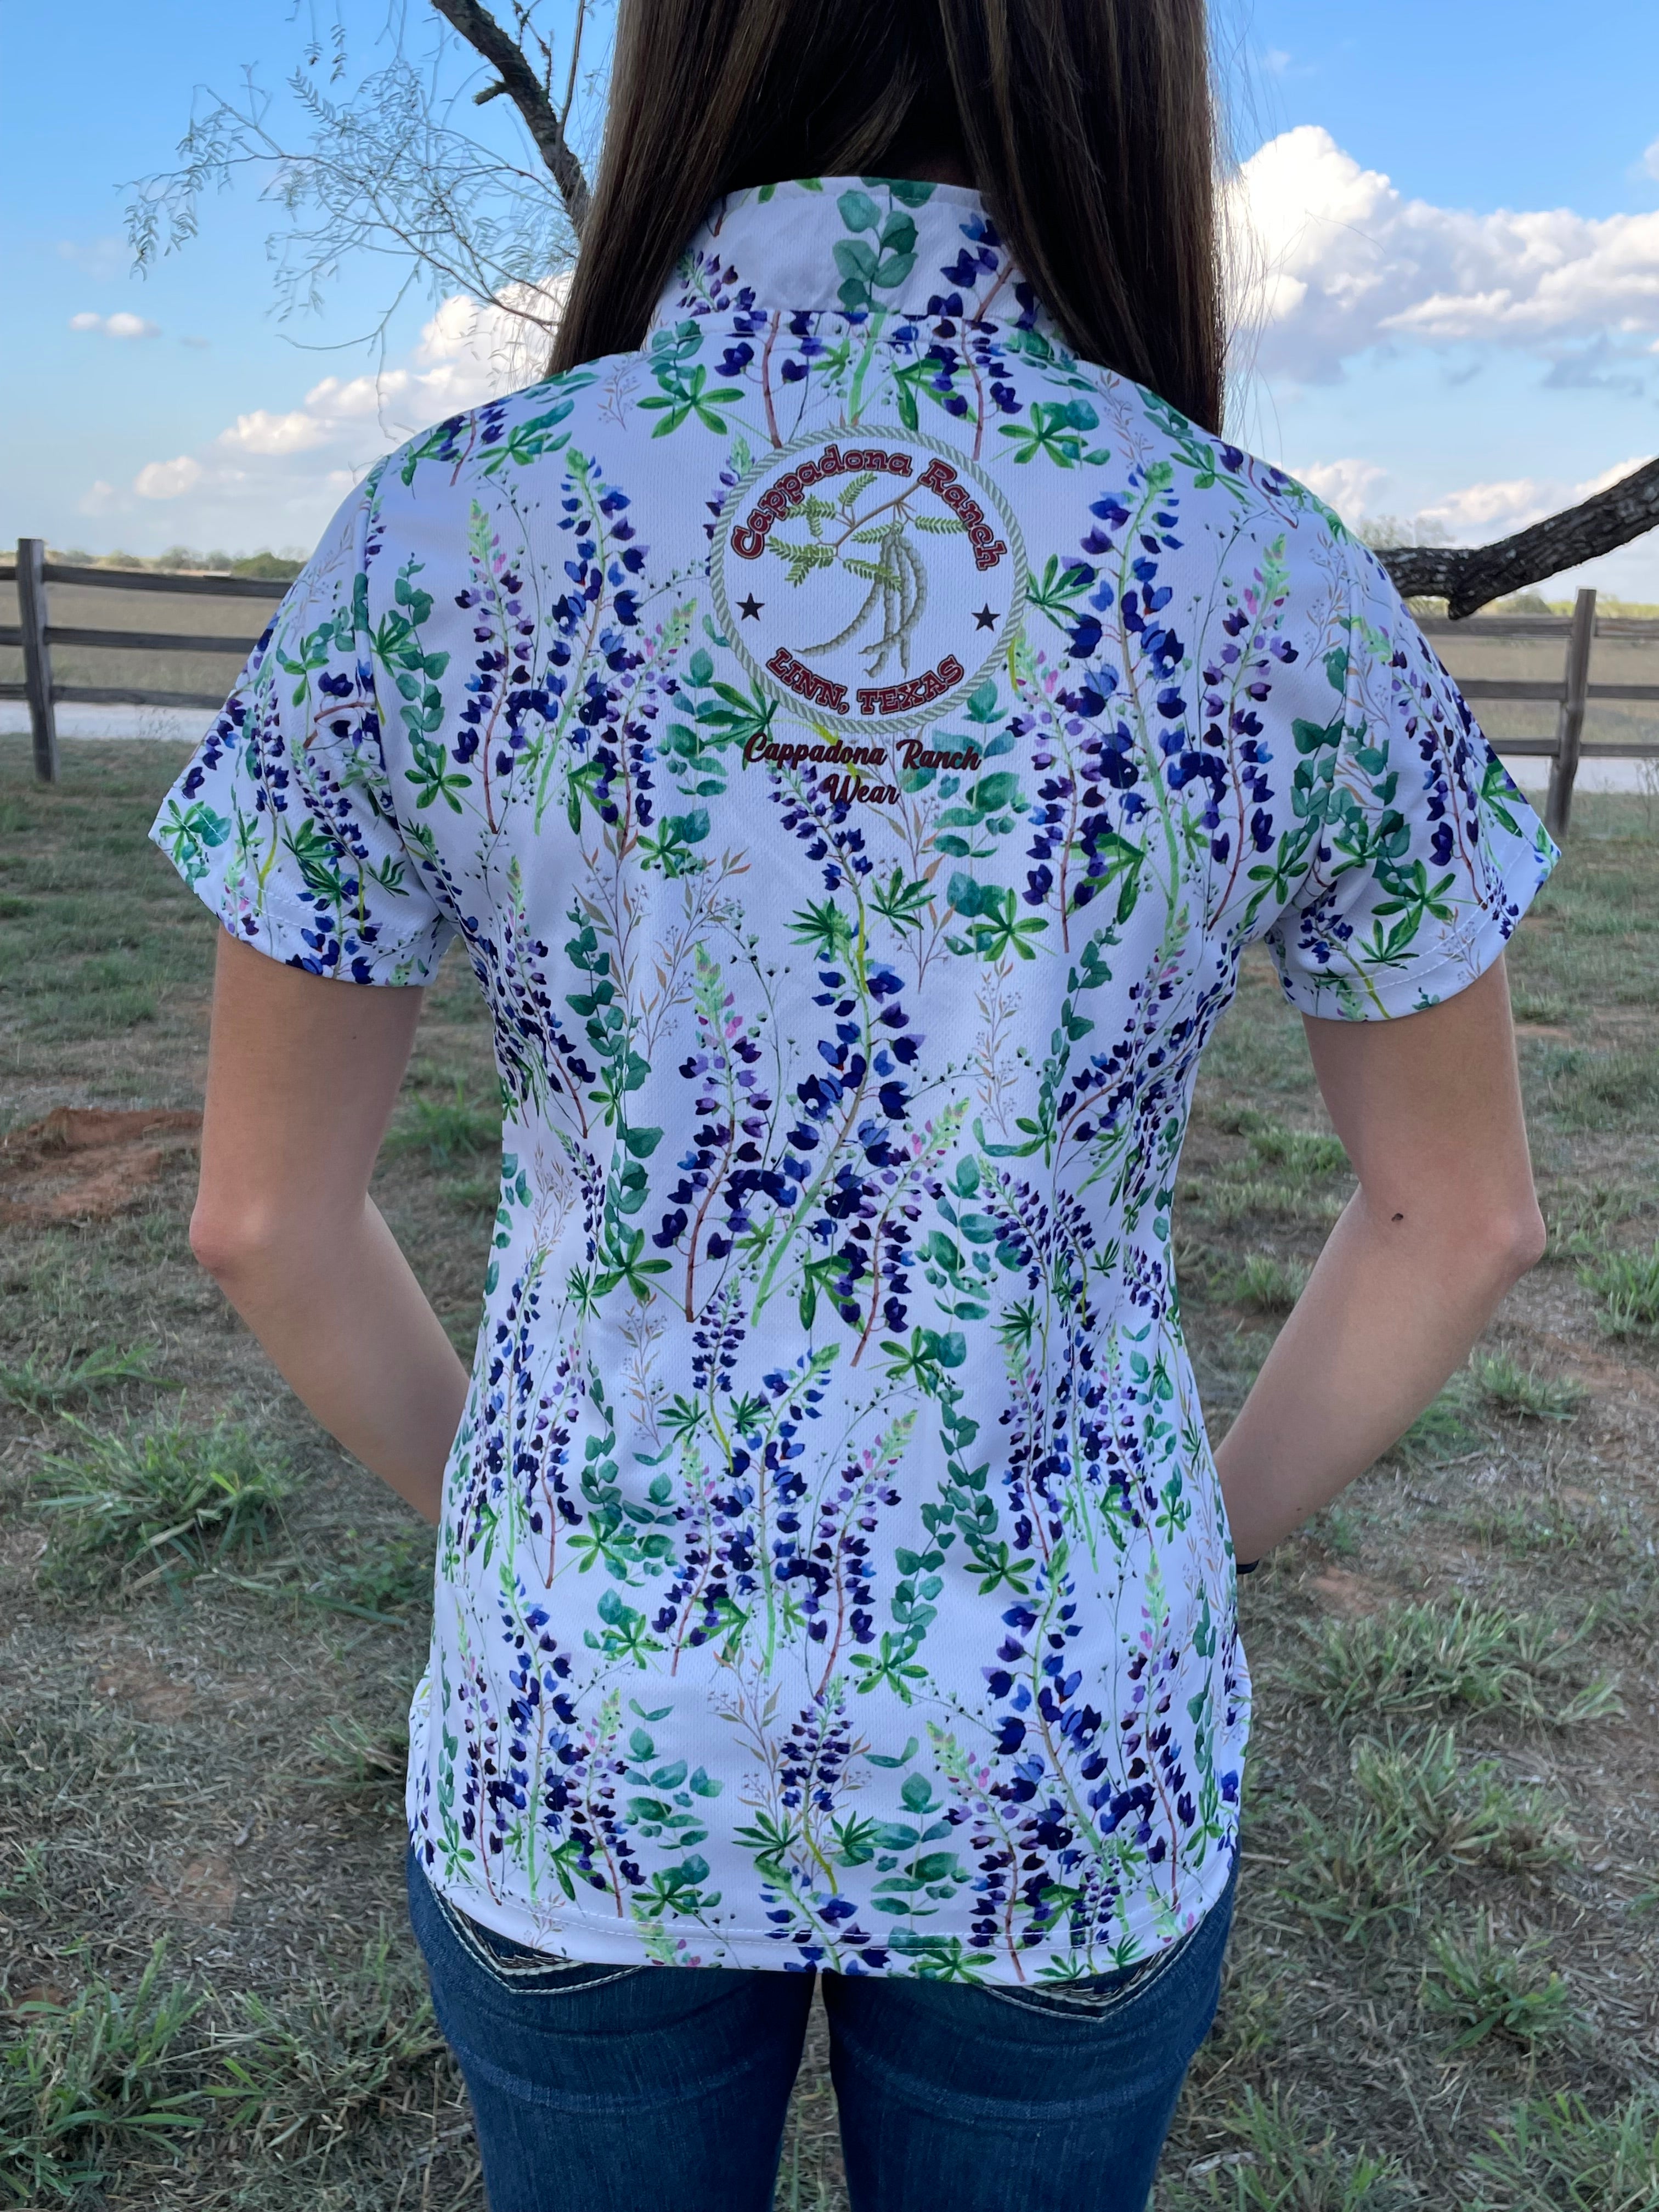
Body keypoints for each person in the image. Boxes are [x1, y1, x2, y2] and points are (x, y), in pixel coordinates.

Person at [152, 1, 1554, 2205]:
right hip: (1060, 1752)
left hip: (580, 1741)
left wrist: (550, 1553)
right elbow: (1458, 1220)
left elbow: (260, 1220)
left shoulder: (439, 543)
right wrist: (1185, 1550)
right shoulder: (1270, 574)